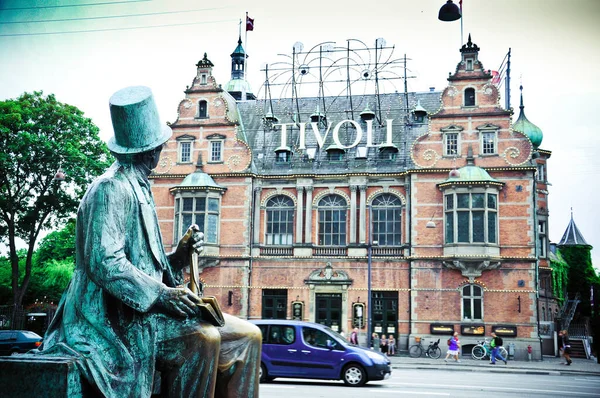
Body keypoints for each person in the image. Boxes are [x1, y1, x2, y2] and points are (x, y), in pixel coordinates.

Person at [41, 86, 261, 398]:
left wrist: (180, 255)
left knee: (248, 337)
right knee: (203, 339)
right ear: (152, 150)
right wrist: (162, 296)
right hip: (112, 319)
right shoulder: (111, 188)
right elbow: (106, 263)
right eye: (160, 144)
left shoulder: (141, 186)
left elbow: (145, 266)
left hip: (144, 310)